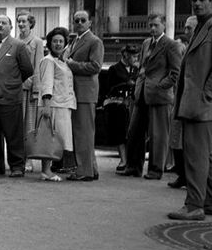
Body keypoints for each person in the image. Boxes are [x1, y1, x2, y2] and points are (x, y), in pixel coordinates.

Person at [168, 0, 212, 220]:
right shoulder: (200, 29)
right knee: (203, 155)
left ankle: (194, 205)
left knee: (195, 156)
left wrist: (206, 95)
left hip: (201, 106)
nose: (197, 3)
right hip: (193, 104)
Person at [122, 15, 182, 180]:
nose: (152, 29)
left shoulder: (171, 45)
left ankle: (156, 169)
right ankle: (133, 166)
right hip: (141, 93)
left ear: (164, 25)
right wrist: (138, 85)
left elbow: (176, 72)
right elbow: (142, 67)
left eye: (156, 25)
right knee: (134, 131)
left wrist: (160, 85)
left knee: (158, 135)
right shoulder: (146, 43)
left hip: (159, 96)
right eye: (150, 25)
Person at [0, 15, 33, 177]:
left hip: (9, 97)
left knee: (13, 134)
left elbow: (27, 70)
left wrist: (12, 83)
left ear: (11, 27)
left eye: (3, 23)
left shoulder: (18, 46)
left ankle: (17, 166)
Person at [64, 10, 104, 181]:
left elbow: (95, 66)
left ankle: (84, 171)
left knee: (84, 132)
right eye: (76, 20)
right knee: (81, 131)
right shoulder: (75, 40)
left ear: (90, 23)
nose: (79, 23)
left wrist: (73, 65)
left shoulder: (95, 41)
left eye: (83, 20)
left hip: (85, 93)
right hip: (76, 91)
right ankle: (91, 168)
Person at [36, 26, 76, 182]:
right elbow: (46, 83)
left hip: (64, 104)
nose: (58, 44)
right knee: (50, 137)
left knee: (57, 138)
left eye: (61, 41)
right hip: (53, 105)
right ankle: (46, 171)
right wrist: (46, 105)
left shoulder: (63, 61)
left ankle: (50, 169)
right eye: (55, 41)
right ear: (49, 43)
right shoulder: (48, 60)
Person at [167, 15, 198, 189]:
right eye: (185, 28)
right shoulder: (184, 48)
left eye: (189, 28)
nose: (185, 31)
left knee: (190, 144)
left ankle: (190, 178)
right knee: (176, 140)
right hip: (179, 100)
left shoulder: (199, 48)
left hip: (192, 102)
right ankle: (181, 175)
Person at [104, 44, 138, 173]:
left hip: (133, 104)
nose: (135, 59)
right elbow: (109, 88)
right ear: (126, 55)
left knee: (132, 132)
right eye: (133, 56)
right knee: (120, 132)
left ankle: (131, 160)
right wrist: (124, 84)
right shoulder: (115, 69)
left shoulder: (136, 69)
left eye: (136, 56)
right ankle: (123, 160)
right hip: (118, 104)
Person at [17, 11, 44, 172]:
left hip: (29, 89)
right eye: (19, 21)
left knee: (29, 126)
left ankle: (28, 160)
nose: (21, 24)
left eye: (24, 22)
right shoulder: (14, 41)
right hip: (15, 89)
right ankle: (17, 158)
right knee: (16, 126)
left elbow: (38, 67)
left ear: (30, 24)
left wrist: (36, 90)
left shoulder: (37, 42)